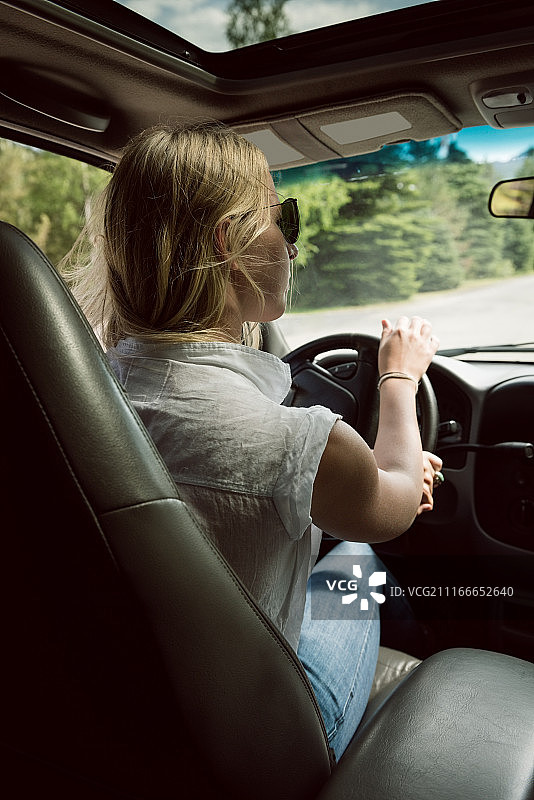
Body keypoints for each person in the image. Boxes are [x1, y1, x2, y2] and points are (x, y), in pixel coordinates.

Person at [61, 123, 442, 761]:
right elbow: (395, 505)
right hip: (267, 739)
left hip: (130, 717)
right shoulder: (295, 441)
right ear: (232, 242)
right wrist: (399, 379)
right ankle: (423, 664)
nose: (292, 244)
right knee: (361, 564)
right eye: (282, 218)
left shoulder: (84, 393)